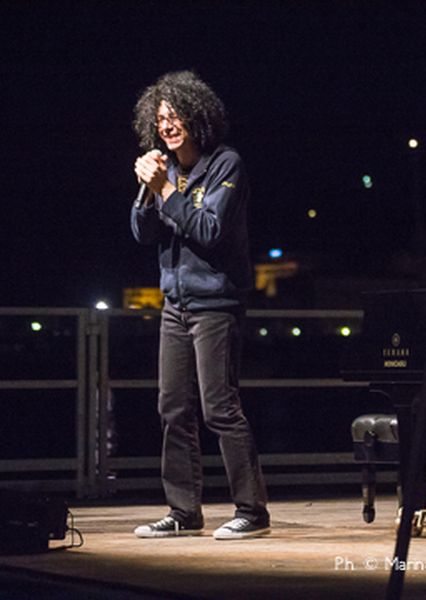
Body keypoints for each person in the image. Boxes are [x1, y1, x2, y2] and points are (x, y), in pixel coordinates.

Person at [130, 71, 270, 540]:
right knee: (172, 408)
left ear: (198, 116)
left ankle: (252, 511)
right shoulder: (163, 167)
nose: (168, 126)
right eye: (161, 118)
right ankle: (183, 511)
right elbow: (141, 232)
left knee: (220, 408)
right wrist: (150, 190)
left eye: (176, 116)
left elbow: (210, 230)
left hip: (216, 303)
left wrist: (166, 191)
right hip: (176, 305)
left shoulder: (226, 164)